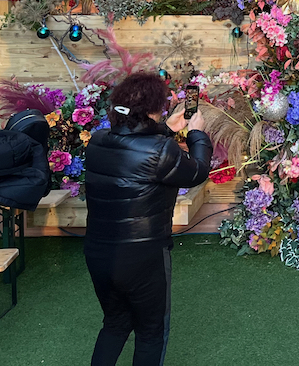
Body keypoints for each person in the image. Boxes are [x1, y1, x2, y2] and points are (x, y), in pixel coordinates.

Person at [83, 71, 212, 366]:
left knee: (115, 323)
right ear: (153, 110)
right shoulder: (161, 150)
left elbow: (136, 144)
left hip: (99, 254)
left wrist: (165, 128)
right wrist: (197, 134)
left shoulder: (98, 142)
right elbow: (197, 171)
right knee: (151, 333)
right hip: (144, 258)